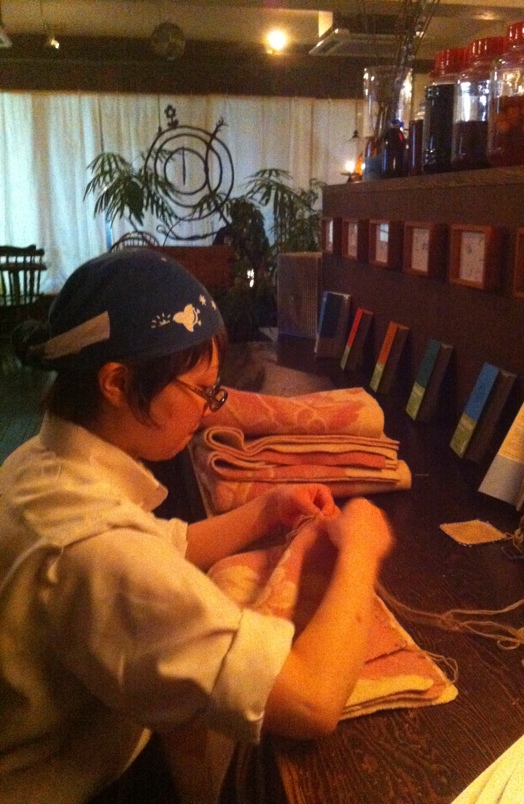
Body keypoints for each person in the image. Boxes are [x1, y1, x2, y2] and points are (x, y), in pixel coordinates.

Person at [0, 249, 394, 804]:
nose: (209, 410)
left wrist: (267, 509)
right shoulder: (96, 549)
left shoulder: (42, 462)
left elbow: (167, 546)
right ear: (117, 383)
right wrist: (362, 549)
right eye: (200, 389)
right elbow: (311, 701)